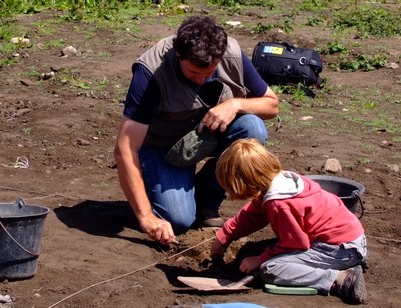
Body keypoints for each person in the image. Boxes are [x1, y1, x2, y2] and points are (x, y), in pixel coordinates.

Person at [113, 15, 279, 245]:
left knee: (252, 128)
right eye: (193, 73)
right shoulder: (150, 72)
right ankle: (174, 193)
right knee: (178, 221)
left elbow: (272, 105)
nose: (201, 80)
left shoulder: (230, 52)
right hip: (164, 145)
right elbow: (125, 148)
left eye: (209, 73)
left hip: (205, 134)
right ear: (179, 55)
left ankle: (206, 199)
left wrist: (235, 104)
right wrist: (146, 217)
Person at [211, 139, 368, 304]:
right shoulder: (282, 180)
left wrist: (260, 259)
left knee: (270, 269)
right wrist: (225, 236)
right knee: (269, 251)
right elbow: (252, 214)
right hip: (351, 238)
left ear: (243, 183)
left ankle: (341, 280)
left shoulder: (279, 203)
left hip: (339, 249)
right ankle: (352, 258)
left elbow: (295, 244)